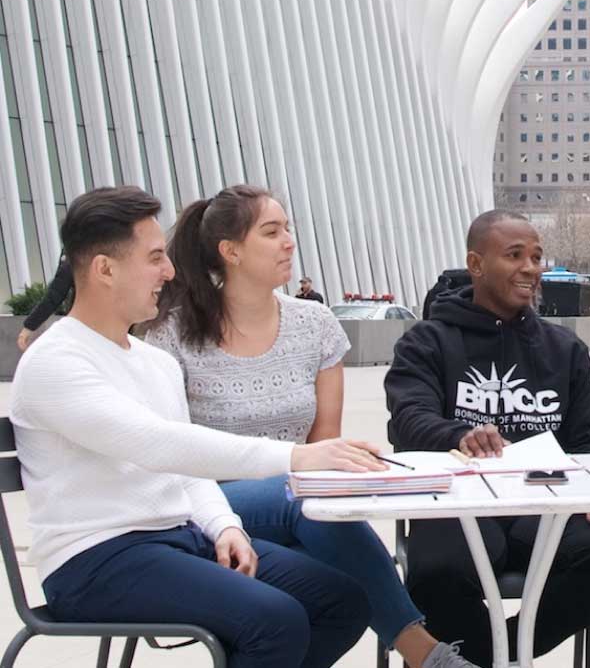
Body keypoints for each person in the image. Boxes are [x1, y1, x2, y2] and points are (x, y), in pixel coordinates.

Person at [9, 186, 383, 668]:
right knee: (275, 620)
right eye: (154, 258)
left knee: (342, 602)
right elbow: (158, 444)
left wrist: (225, 526)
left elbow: (186, 472)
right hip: (95, 562)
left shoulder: (150, 361)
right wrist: (296, 457)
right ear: (104, 269)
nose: (169, 272)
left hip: (179, 538)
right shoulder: (56, 363)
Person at [145, 185, 477, 668]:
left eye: (288, 230)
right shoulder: (173, 331)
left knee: (341, 588)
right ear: (230, 251)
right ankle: (425, 654)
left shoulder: (315, 323)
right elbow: (168, 451)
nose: (289, 242)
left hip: (299, 497)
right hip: (207, 502)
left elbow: (325, 444)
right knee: (301, 495)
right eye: (271, 231)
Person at [385, 210, 590, 668]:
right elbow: (408, 420)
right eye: (515, 255)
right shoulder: (425, 342)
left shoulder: (566, 350)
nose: (531, 267)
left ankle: (501, 655)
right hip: (457, 504)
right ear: (476, 264)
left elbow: (589, 440)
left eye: (537, 256)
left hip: (543, 504)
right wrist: (460, 435)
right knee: (436, 573)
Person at [15, 253, 73, 351]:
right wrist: (29, 326)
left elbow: (55, 293)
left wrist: (28, 327)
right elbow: (56, 293)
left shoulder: (77, 251)